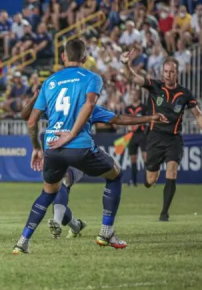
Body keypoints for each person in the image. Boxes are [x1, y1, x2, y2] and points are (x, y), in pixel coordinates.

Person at [13, 39, 126, 255]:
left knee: (48, 192)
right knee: (115, 175)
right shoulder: (92, 78)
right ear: (84, 58)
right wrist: (72, 134)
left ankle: (22, 242)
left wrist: (36, 147)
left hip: (52, 147)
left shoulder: (50, 82)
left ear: (63, 57)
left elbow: (30, 120)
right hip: (77, 146)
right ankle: (106, 231)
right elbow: (91, 104)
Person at [20, 95, 168, 239]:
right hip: (57, 155)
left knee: (64, 180)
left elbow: (118, 118)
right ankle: (75, 225)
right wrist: (36, 97)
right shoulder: (59, 106)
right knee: (56, 199)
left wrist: (149, 118)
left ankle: (57, 223)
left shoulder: (89, 108)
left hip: (78, 156)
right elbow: (27, 116)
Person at [122, 50, 202, 221]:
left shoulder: (185, 94)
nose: (168, 75)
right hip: (154, 137)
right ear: (162, 72)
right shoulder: (155, 86)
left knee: (172, 171)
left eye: (171, 71)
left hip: (173, 139)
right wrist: (125, 64)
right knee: (151, 179)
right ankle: (148, 179)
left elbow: (197, 114)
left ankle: (164, 213)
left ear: (177, 73)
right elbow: (132, 78)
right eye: (165, 71)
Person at [125, 90, 148, 186]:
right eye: (131, 94)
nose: (133, 96)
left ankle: (148, 180)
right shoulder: (128, 108)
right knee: (133, 158)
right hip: (131, 136)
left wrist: (139, 123)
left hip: (142, 134)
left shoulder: (143, 107)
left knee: (145, 157)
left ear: (138, 95)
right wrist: (129, 126)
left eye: (134, 94)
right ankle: (133, 181)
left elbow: (147, 120)